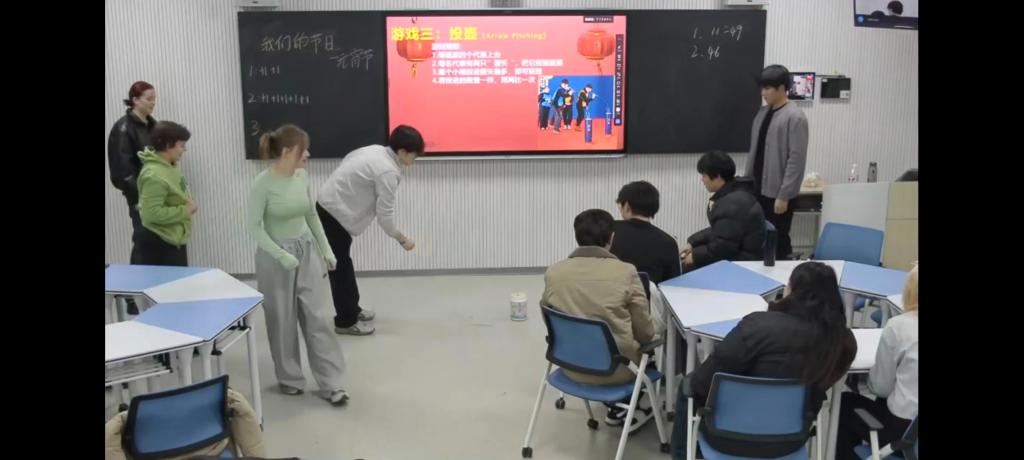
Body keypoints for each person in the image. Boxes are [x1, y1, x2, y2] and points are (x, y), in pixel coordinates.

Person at [671, 262, 857, 458]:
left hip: (727, 438)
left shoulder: (756, 326)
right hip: (790, 441)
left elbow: (702, 382)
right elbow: (825, 381)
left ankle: (682, 455)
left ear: (793, 291)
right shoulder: (841, 341)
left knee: (688, 385)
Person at [247, 124, 349, 406]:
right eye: (304, 149)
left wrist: (326, 249)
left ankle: (332, 383)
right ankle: (290, 378)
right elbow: (254, 227)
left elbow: (310, 215)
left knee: (318, 317)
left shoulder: (301, 177)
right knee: (281, 320)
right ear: (287, 151)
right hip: (275, 258)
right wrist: (280, 254)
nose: (308, 154)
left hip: (305, 253)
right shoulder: (262, 184)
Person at [542, 209, 658, 432]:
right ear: (611, 238)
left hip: (568, 365)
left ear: (577, 236)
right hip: (617, 370)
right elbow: (645, 332)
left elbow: (549, 317)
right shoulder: (626, 272)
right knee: (649, 351)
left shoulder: (554, 272)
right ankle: (631, 408)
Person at [316, 125, 423, 336]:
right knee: (339, 267)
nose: (415, 159)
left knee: (343, 263)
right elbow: (385, 216)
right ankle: (345, 322)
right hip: (334, 212)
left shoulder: (375, 150)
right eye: (414, 155)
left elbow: (348, 161)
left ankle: (353, 309)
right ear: (402, 152)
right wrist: (402, 239)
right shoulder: (388, 171)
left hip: (331, 206)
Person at [836, 265, 918, 460]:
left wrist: (864, 382)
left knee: (846, 403)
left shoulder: (900, 326)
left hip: (905, 434)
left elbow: (881, 387)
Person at [746, 64, 809, 260]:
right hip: (757, 189)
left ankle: (783, 275)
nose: (763, 93)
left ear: (782, 88)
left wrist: (784, 195)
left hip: (778, 193)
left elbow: (796, 160)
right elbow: (755, 152)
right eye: (762, 88)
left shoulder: (795, 117)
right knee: (758, 237)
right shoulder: (762, 113)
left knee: (778, 238)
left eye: (767, 88)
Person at [107, 80, 156, 313]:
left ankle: (149, 288)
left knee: (154, 242)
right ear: (135, 100)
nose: (153, 103)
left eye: (154, 98)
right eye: (149, 99)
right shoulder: (123, 129)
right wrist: (141, 197)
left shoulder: (153, 125)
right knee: (143, 240)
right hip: (141, 198)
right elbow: (122, 172)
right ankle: (131, 293)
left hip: (157, 196)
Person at [681, 151, 765, 272]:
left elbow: (722, 248)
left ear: (718, 177)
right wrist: (692, 242)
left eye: (704, 175)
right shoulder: (736, 193)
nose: (702, 180)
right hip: (740, 253)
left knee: (686, 267)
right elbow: (721, 231)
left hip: (742, 264)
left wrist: (695, 256)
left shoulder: (732, 204)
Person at [136, 121, 195, 267]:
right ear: (168, 145)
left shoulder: (170, 166)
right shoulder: (154, 175)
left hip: (173, 239)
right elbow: (151, 214)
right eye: (181, 145)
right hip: (160, 244)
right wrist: (185, 210)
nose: (184, 150)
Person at [610, 181, 680, 284]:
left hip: (612, 292)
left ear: (627, 206)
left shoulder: (608, 231)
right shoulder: (668, 242)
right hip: (650, 293)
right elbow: (673, 283)